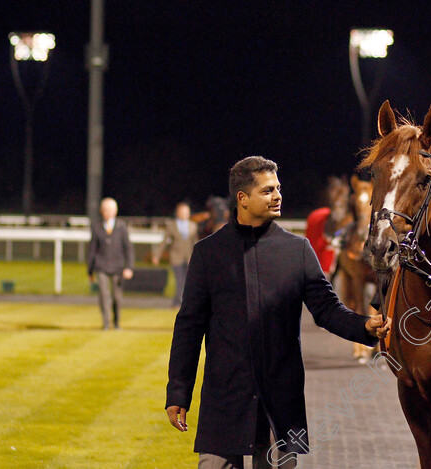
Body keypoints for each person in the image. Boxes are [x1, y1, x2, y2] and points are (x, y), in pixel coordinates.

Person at [165, 156, 391, 469]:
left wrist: (365, 326)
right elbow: (189, 327)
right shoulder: (208, 252)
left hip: (282, 403)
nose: (277, 196)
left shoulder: (298, 250)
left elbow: (326, 309)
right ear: (242, 199)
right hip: (225, 399)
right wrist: (178, 391)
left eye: (278, 188)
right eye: (268, 190)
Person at [87, 197, 134, 330]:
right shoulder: (96, 227)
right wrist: (90, 271)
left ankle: (117, 322)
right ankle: (106, 322)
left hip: (118, 267)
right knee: (103, 295)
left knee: (117, 297)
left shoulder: (121, 227)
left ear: (115, 211)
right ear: (102, 211)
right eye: (106, 209)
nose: (108, 212)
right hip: (101, 266)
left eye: (111, 210)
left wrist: (129, 267)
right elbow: (92, 250)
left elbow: (128, 249)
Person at [153, 202, 199, 309]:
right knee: (179, 281)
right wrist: (157, 256)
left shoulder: (193, 226)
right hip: (176, 257)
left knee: (188, 282)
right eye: (182, 212)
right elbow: (164, 242)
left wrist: (198, 257)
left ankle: (180, 302)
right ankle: (178, 303)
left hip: (189, 258)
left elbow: (195, 243)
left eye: (186, 212)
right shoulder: (172, 225)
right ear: (178, 213)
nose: (184, 214)